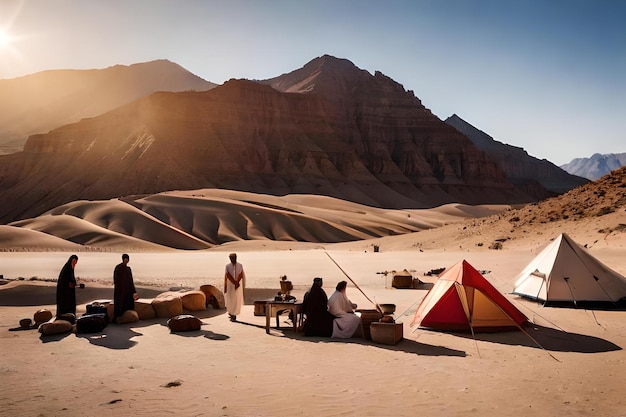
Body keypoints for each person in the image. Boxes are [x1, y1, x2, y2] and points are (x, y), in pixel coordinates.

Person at [113, 253, 138, 322]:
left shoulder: (128, 269)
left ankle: (127, 318)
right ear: (123, 259)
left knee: (129, 302)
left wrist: (134, 291)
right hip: (120, 290)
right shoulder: (118, 268)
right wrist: (119, 288)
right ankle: (118, 318)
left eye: (127, 259)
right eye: (125, 259)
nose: (126, 261)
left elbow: (131, 280)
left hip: (127, 289)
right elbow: (115, 279)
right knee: (119, 304)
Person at [224, 253, 245, 321]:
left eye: (234, 257)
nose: (233, 259)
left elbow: (241, 274)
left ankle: (234, 313)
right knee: (230, 298)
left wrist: (236, 282)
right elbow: (227, 275)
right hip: (231, 285)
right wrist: (234, 282)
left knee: (236, 299)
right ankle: (231, 312)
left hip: (237, 285)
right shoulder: (227, 266)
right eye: (231, 258)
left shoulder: (240, 265)